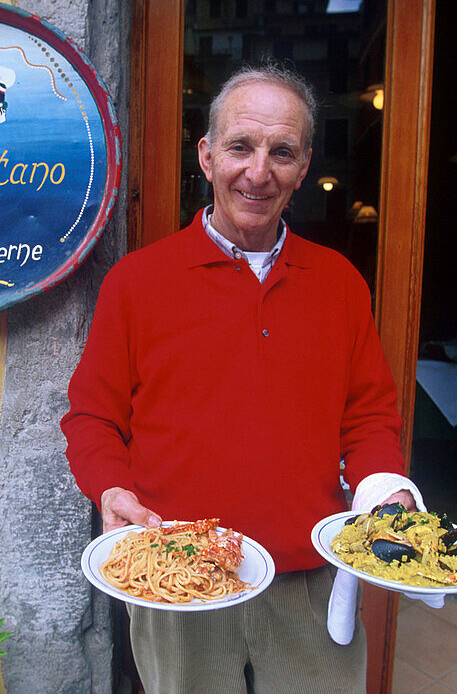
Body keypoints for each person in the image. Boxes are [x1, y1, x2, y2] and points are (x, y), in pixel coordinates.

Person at [62, 63, 423, 692]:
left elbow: (368, 418)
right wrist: (109, 489)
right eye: (240, 147)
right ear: (206, 156)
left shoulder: (339, 283)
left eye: (281, 152)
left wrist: (383, 492)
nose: (259, 172)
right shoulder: (138, 282)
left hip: (308, 578)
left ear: (304, 166)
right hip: (178, 576)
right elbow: (93, 417)